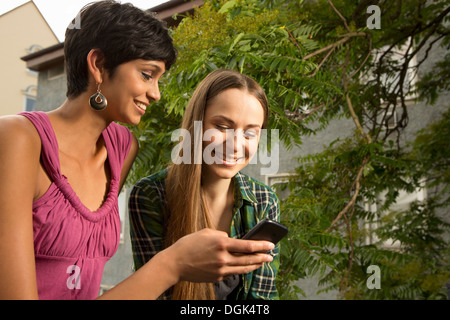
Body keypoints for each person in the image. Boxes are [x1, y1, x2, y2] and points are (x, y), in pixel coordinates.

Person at [0, 1, 274, 300]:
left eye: (159, 79)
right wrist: (173, 264)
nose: (156, 94)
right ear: (99, 64)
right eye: (147, 75)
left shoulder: (123, 147)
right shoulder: (18, 138)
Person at [129, 69, 281, 300]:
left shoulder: (264, 200)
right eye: (222, 127)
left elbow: (263, 297)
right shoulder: (151, 194)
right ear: (196, 124)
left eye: (250, 133)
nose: (236, 145)